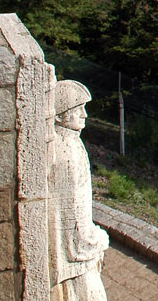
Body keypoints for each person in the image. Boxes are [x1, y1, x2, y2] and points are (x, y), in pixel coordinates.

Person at [50, 80, 109, 301]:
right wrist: (100, 240)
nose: (85, 114)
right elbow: (76, 228)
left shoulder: (64, 144)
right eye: (77, 109)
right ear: (58, 115)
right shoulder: (69, 153)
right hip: (75, 267)